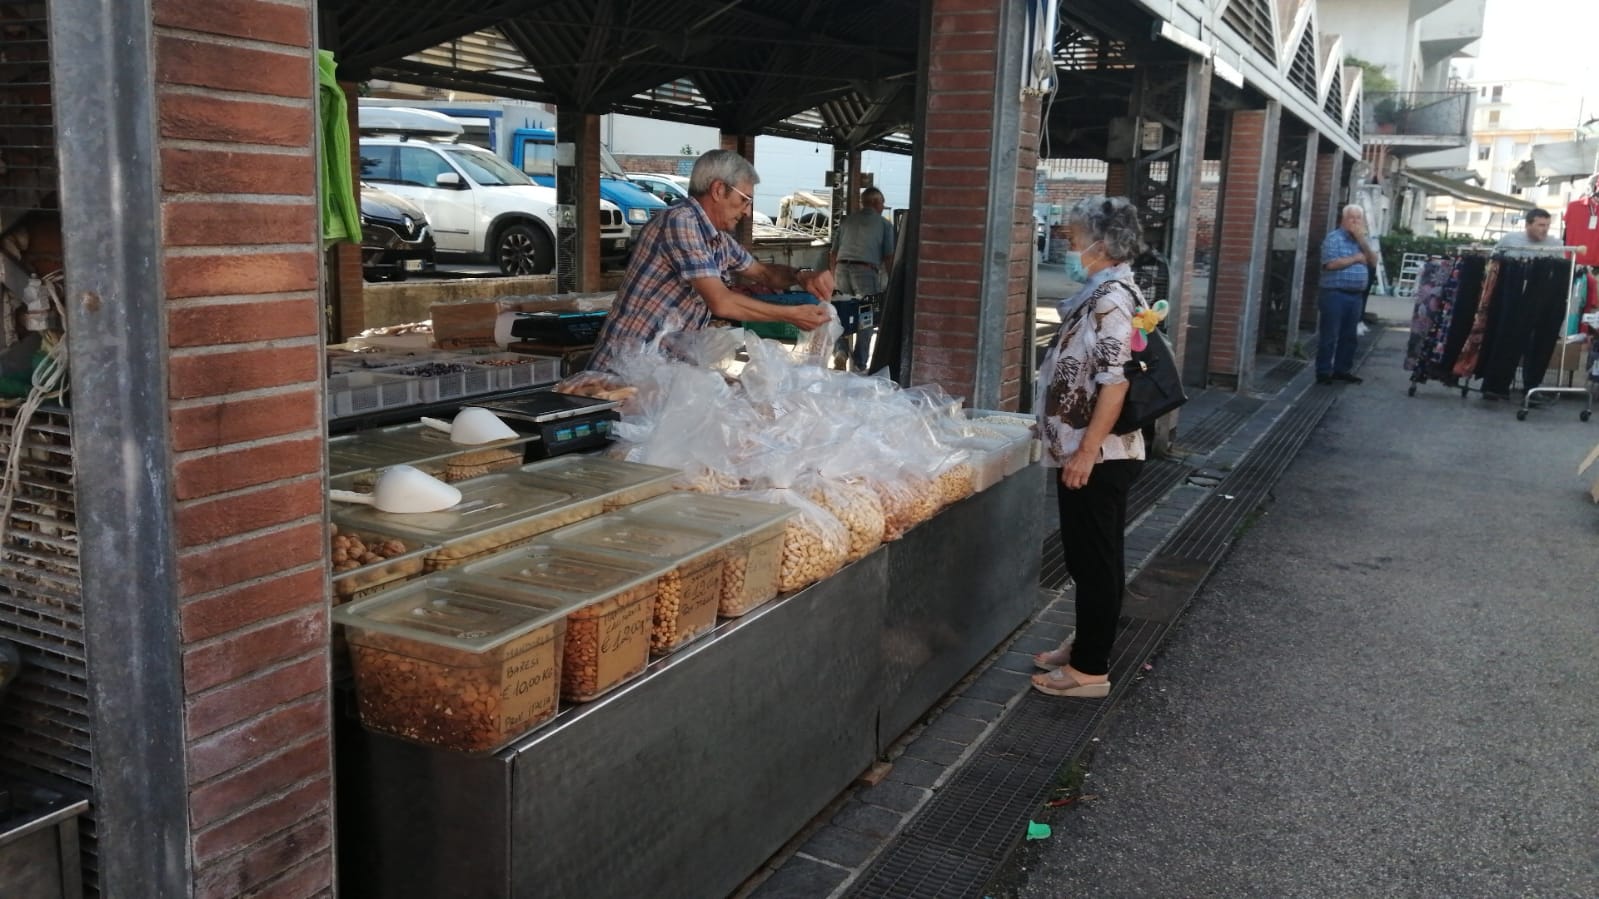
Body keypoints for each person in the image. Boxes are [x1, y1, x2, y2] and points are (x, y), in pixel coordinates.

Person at [1028, 196, 1147, 699]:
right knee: (1088, 557)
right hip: (1088, 451)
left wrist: (1085, 452)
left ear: (1102, 243)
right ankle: (1086, 644)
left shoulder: (1111, 299)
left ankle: (1090, 670)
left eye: (1076, 238)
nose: (1071, 247)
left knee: (1095, 560)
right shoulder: (1102, 290)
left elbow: (1115, 382)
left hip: (1098, 455)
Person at [585, 149, 836, 373]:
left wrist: (802, 275)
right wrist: (791, 315)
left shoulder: (719, 241)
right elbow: (721, 302)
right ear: (718, 190)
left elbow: (763, 273)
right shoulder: (680, 222)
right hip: (621, 371)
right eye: (744, 200)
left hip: (661, 371)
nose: (747, 211)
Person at [829, 187, 895, 370]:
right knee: (867, 315)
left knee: (841, 314)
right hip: (865, 272)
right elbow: (889, 256)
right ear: (875, 203)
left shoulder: (847, 221)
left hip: (841, 270)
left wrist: (833, 277)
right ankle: (859, 362)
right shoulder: (884, 224)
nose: (882, 207)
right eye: (882, 203)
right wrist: (892, 281)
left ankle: (840, 352)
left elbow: (833, 253)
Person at [1315, 204, 1377, 385]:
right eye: (1352, 218)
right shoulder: (1333, 239)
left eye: (1359, 218)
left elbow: (1373, 262)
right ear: (1344, 220)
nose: (1355, 221)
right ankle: (1323, 372)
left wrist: (1362, 242)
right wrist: (1356, 259)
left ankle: (1342, 370)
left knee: (1349, 336)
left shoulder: (1363, 241)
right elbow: (1330, 264)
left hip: (1355, 295)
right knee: (1330, 335)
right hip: (1334, 294)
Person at [1494, 207, 1563, 255]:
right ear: (1527, 225)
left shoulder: (1555, 244)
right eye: (1541, 225)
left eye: (1548, 225)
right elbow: (1493, 263)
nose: (1546, 229)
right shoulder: (1509, 239)